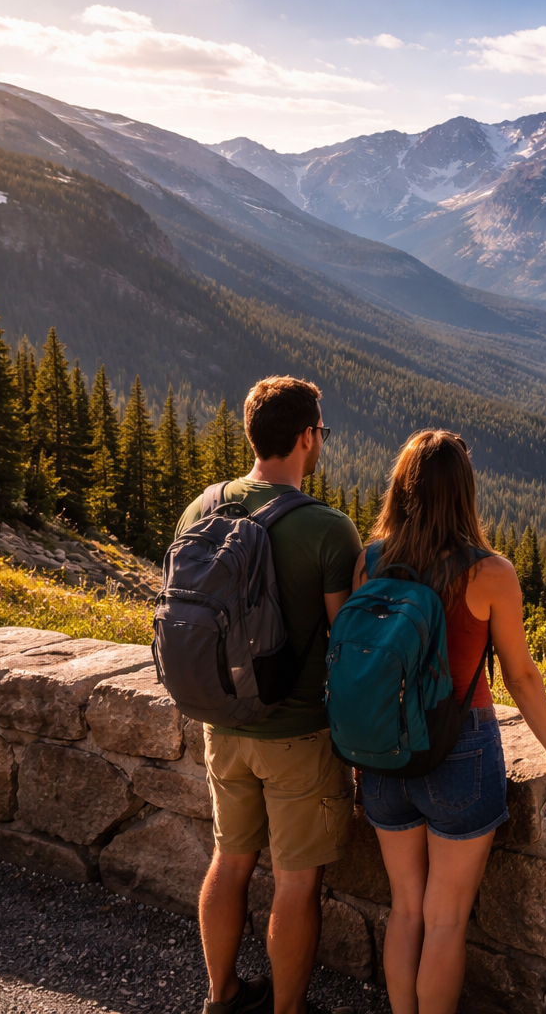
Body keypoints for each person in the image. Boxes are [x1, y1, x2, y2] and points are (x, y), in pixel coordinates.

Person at [354, 430, 546, 1014]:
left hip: (383, 748)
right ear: (466, 493)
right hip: (459, 749)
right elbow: (521, 676)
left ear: (402, 487)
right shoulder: (490, 573)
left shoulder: (370, 560)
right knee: (446, 921)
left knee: (406, 908)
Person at [178, 377, 363, 1014]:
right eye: (322, 434)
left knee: (229, 862)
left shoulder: (203, 507)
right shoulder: (328, 530)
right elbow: (348, 639)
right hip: (296, 731)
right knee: (294, 883)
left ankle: (222, 995)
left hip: (220, 722)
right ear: (308, 438)